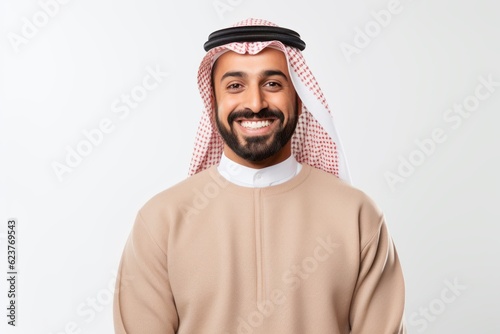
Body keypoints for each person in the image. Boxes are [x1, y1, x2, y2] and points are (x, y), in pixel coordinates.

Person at [113, 18, 406, 334]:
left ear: (298, 97)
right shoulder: (161, 220)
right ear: (214, 100)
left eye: (273, 84)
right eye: (235, 86)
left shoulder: (357, 215)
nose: (255, 104)